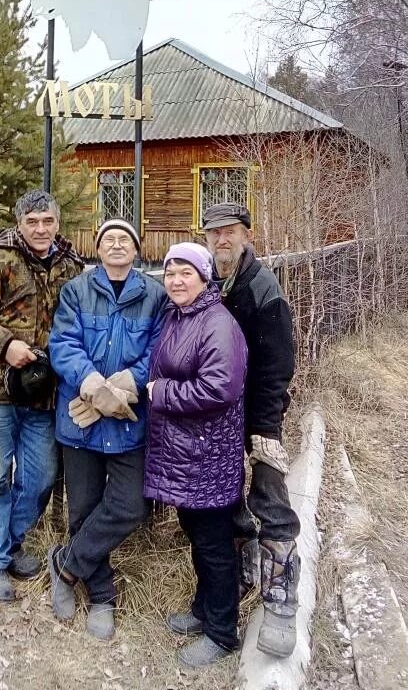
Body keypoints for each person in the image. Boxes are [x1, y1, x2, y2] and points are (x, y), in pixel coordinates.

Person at [0, 189, 83, 602]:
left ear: (57, 223)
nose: (40, 229)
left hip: (45, 391)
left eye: (47, 221)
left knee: (42, 475)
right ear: (20, 224)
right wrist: (6, 344)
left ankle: (8, 543)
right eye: (32, 222)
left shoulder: (72, 265)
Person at [48, 218, 167, 641]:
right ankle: (101, 594)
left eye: (125, 240)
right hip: (79, 417)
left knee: (130, 505)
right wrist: (93, 386)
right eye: (108, 239)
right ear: (98, 249)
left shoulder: (154, 295)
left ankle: (64, 565)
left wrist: (122, 388)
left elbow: (159, 349)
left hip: (127, 421)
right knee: (82, 510)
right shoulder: (76, 291)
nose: (116, 245)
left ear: (136, 250)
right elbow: (63, 343)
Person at [202, 202, 301, 658]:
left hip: (258, 411)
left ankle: (281, 597)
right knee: (226, 499)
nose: (222, 240)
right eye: (214, 233)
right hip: (218, 412)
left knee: (269, 493)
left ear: (246, 235)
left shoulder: (261, 285)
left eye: (230, 232)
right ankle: (239, 574)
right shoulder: (209, 280)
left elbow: (278, 363)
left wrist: (266, 425)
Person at [144, 242, 248, 669]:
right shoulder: (179, 315)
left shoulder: (217, 323)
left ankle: (223, 633)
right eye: (170, 273)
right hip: (186, 451)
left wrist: (160, 392)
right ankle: (204, 609)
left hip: (207, 452)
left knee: (214, 544)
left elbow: (218, 389)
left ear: (205, 278)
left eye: (186, 273)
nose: (176, 281)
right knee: (199, 534)